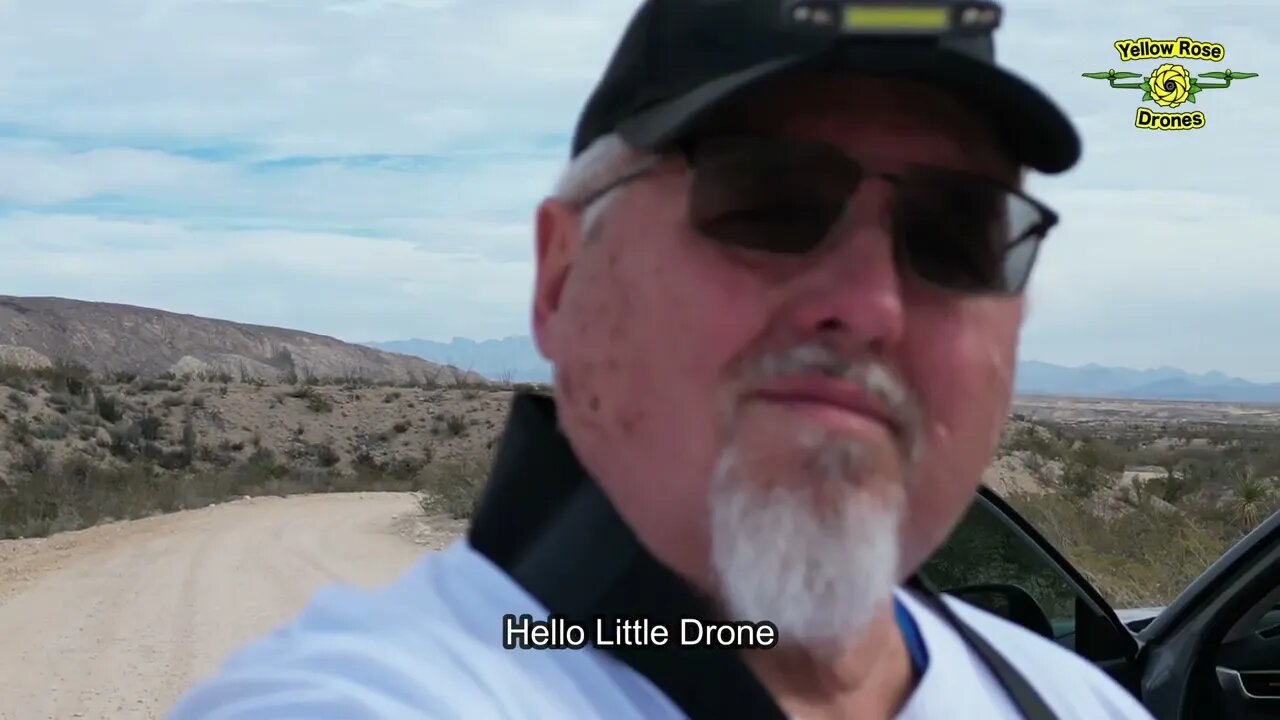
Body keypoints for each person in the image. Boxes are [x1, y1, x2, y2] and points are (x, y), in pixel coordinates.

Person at [168, 0, 1157, 718]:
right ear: (560, 281)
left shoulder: (1071, 705)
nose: (870, 307)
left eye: (957, 234)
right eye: (765, 198)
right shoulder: (380, 698)